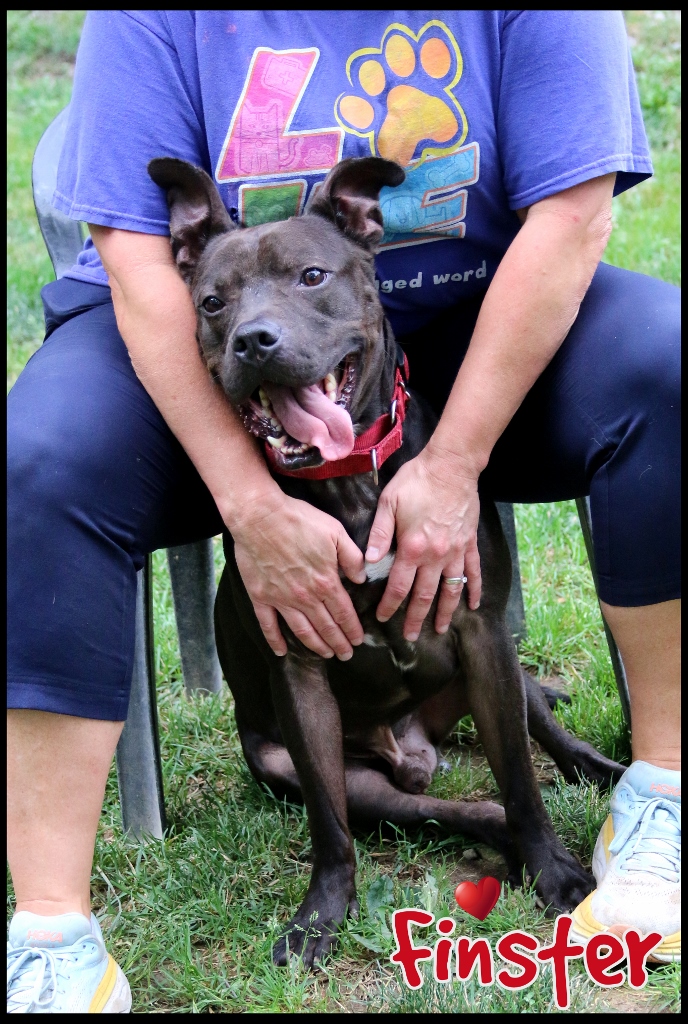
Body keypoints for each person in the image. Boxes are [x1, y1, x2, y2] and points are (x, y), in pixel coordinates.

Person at [7, 10, 680, 1013]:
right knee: (42, 457)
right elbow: (142, 262)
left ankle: (661, 791)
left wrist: (452, 459)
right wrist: (247, 499)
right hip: (197, 360)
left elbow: (572, 214)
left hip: (472, 317)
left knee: (667, 362)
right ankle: (52, 932)